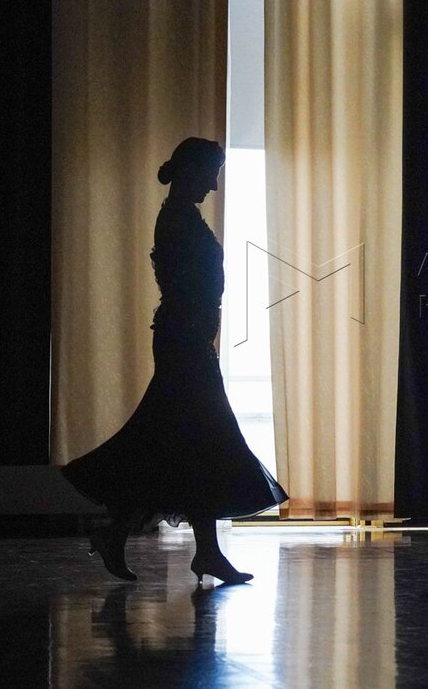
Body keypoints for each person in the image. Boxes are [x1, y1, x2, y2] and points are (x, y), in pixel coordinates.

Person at [63, 137, 287, 584]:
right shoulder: (177, 221)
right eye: (211, 174)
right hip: (184, 343)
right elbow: (185, 287)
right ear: (191, 171)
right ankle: (193, 550)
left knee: (180, 444)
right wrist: (197, 337)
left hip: (188, 341)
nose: (214, 186)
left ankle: (143, 538)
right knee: (196, 440)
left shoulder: (181, 217)